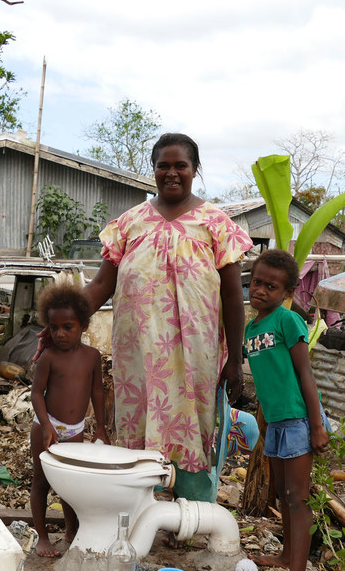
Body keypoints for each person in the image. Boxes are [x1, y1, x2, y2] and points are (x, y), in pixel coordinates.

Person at [82, 132, 254, 505]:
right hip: (138, 357)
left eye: (181, 166)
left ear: (195, 170)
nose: (172, 173)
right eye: (164, 165)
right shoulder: (129, 224)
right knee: (138, 427)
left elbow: (232, 295)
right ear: (153, 169)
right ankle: (139, 511)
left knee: (193, 429)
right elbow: (100, 285)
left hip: (195, 358)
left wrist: (236, 360)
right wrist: (57, 321)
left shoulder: (216, 224)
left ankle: (189, 517)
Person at [244, 248, 330, 571]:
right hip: (277, 423)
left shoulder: (287, 321)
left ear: (287, 292)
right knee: (282, 495)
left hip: (298, 419)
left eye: (271, 286)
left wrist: (316, 426)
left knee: (299, 500)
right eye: (257, 282)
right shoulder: (252, 327)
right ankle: (284, 556)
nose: (261, 290)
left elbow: (304, 375)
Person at [30, 282, 109, 557]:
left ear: (84, 325)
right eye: (54, 328)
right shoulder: (49, 357)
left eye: (68, 327)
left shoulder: (92, 357)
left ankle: (71, 531)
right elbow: (37, 393)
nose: (60, 334)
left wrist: (100, 427)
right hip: (46, 424)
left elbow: (98, 392)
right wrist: (46, 426)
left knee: (70, 485)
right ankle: (42, 536)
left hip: (75, 430)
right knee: (41, 482)